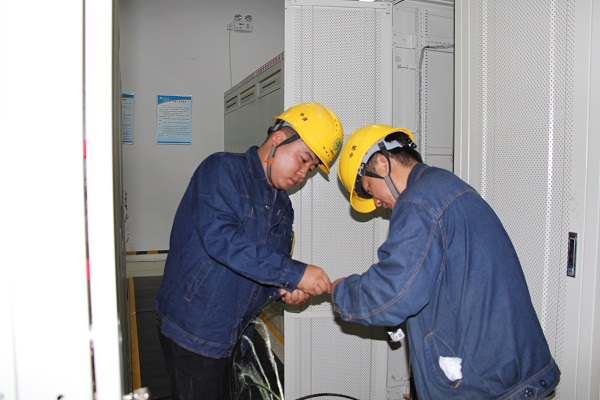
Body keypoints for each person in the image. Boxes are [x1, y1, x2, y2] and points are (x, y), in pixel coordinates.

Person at [331, 124, 560, 399]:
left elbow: (393, 294)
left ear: (381, 163)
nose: (376, 203)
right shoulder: (448, 186)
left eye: (369, 190)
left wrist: (339, 291)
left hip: (491, 386)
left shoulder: (417, 202)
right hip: (517, 373)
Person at [156, 102, 343, 400]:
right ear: (279, 138)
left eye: (310, 169)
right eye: (303, 159)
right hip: (195, 331)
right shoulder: (222, 170)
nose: (303, 173)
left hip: (235, 337)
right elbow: (221, 239)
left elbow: (263, 269)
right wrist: (295, 273)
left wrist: (284, 290)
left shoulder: (283, 208)